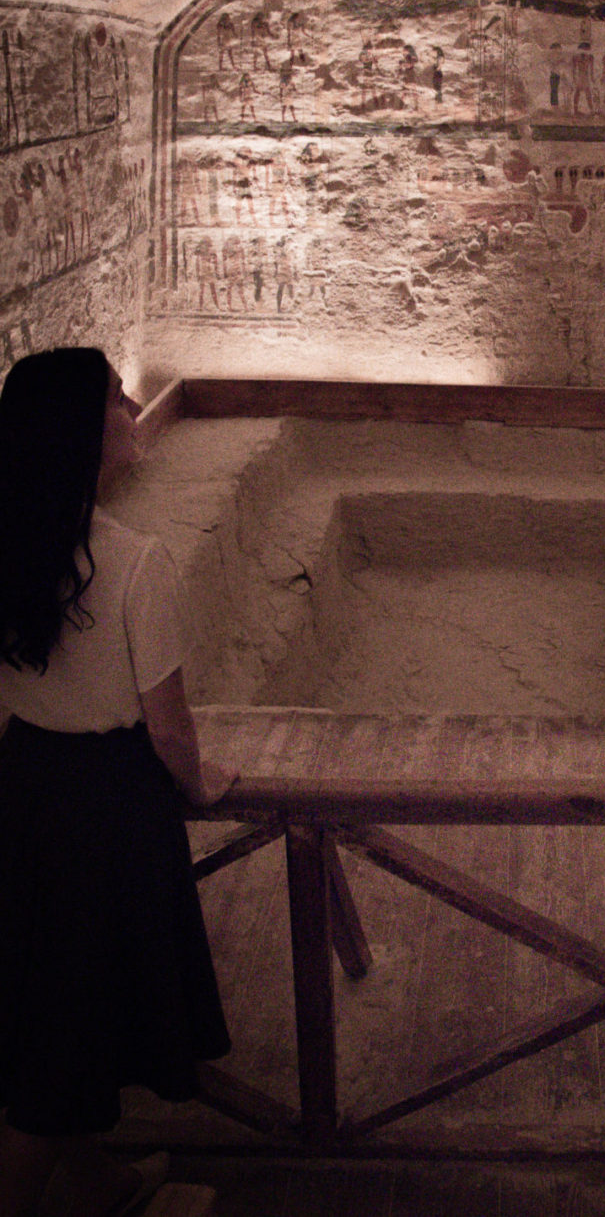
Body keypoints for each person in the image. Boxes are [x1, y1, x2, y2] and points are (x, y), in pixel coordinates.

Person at [0, 348, 233, 1217]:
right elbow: (168, 726)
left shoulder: (12, 546)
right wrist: (201, 784)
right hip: (105, 815)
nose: (134, 408)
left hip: (26, 788)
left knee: (51, 1010)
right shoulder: (134, 564)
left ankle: (102, 1183)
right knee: (60, 1053)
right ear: (77, 431)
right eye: (114, 398)